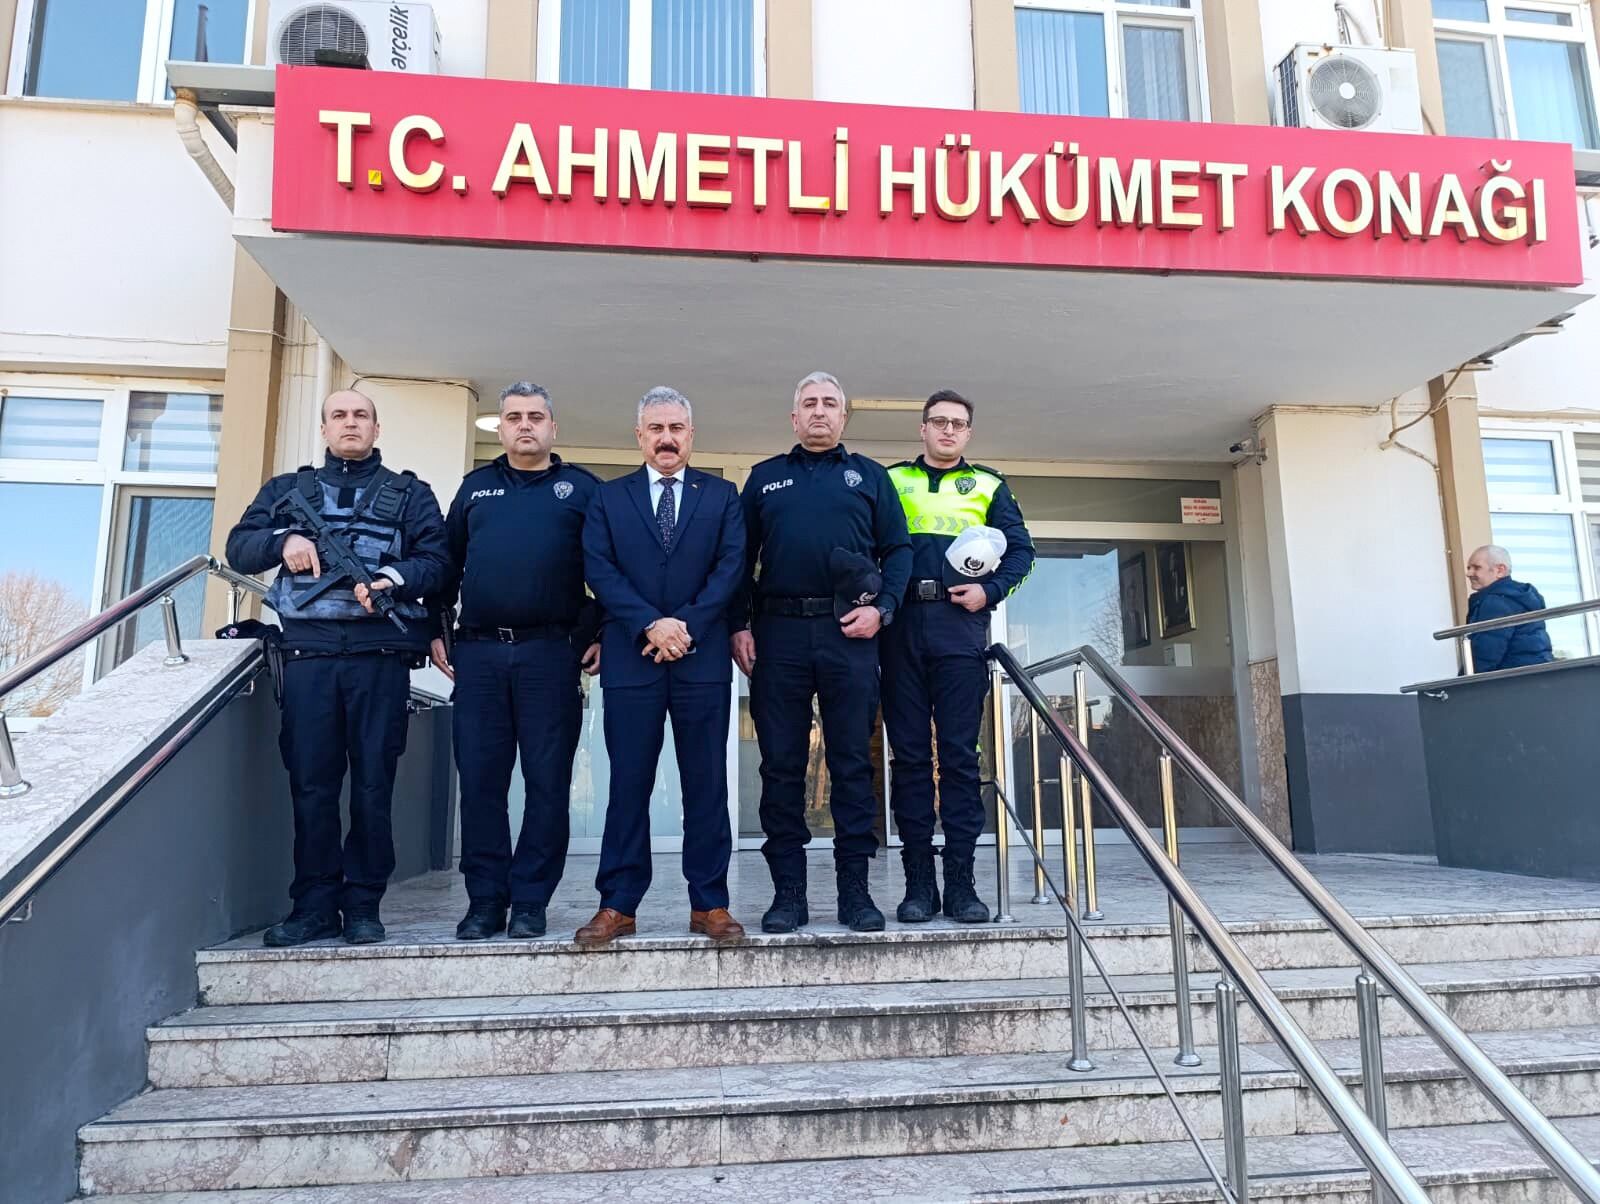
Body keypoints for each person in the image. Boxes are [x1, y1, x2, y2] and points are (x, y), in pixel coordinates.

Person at [226, 388, 450, 946]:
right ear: (324, 428)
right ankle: (314, 906)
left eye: (361, 415)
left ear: (376, 428)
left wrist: (393, 579)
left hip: (379, 659)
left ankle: (364, 905)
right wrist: (284, 539)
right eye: (339, 415)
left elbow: (439, 563)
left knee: (374, 785)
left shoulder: (411, 493)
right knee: (312, 786)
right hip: (308, 657)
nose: (351, 423)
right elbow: (240, 546)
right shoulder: (287, 491)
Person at [734, 371, 913, 933]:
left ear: (843, 416)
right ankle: (788, 894)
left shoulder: (870, 477)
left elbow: (899, 551)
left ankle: (855, 893)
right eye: (809, 403)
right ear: (794, 418)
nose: (819, 411)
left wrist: (882, 609)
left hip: (849, 634)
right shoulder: (764, 478)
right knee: (781, 765)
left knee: (852, 763)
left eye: (829, 403)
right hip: (778, 634)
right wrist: (739, 624)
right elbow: (737, 558)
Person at [429, 382, 602, 942]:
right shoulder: (475, 489)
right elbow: (445, 565)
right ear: (501, 428)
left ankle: (530, 900)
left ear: (553, 427)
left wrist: (597, 632)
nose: (524, 425)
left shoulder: (583, 490)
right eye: (513, 417)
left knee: (547, 783)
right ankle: (485, 901)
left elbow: (610, 569)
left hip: (551, 654)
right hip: (479, 654)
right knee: (481, 782)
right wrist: (437, 628)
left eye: (535, 416)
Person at [578, 387, 747, 947]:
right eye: (656, 428)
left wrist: (685, 626)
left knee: (706, 784)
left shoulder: (722, 495)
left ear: (691, 435)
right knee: (629, 783)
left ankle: (710, 903)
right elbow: (599, 569)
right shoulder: (609, 498)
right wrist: (650, 624)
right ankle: (618, 904)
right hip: (633, 657)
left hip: (701, 658)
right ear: (639, 436)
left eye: (676, 428)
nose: (666, 438)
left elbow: (731, 568)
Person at [882, 390, 1034, 924]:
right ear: (922, 428)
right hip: (899, 629)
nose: (948, 430)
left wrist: (988, 592)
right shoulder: (891, 480)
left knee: (960, 759)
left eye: (958, 423)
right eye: (939, 421)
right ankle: (918, 885)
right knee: (909, 760)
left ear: (968, 433)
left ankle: (962, 884)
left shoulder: (989, 484)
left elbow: (1023, 551)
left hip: (959, 630)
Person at [1464, 544, 1554, 672]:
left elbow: (1485, 653)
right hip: (1536, 674)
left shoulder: (1496, 601)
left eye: (1477, 567)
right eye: (1469, 568)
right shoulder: (1517, 597)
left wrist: (1461, 681)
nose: (1468, 573)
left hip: (1512, 677)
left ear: (1500, 571)